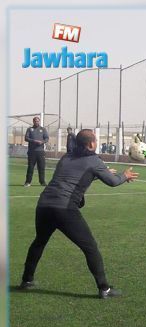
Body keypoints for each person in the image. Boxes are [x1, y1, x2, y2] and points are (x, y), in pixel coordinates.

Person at [18, 129, 139, 299]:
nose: (96, 143)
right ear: (91, 144)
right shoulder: (94, 160)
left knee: (39, 242)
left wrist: (99, 173)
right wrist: (124, 176)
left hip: (44, 205)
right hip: (64, 209)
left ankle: (26, 280)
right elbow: (113, 182)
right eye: (95, 140)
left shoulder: (66, 156)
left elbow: (73, 175)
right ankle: (105, 289)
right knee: (90, 247)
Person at [24, 116, 49, 187]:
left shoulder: (43, 129)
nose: (36, 122)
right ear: (33, 122)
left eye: (37, 121)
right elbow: (26, 138)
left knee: (41, 167)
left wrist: (42, 142)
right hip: (32, 152)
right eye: (35, 121)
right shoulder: (29, 129)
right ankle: (28, 182)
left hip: (40, 152)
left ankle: (42, 182)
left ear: (39, 121)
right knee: (30, 167)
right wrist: (34, 141)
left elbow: (47, 138)